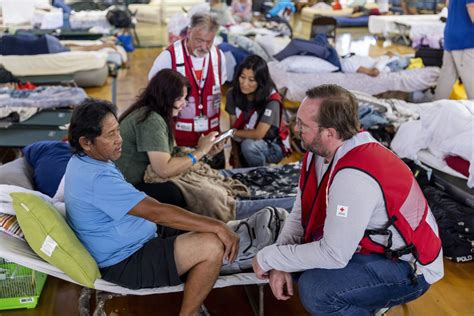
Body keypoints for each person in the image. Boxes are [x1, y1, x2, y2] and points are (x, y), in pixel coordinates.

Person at [252, 84, 444, 315]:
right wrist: (279, 259)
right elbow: (300, 212)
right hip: (369, 248)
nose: (295, 128)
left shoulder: (355, 176)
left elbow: (334, 254)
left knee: (317, 290)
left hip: (408, 268)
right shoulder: (318, 153)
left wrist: (270, 257)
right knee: (301, 265)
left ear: (329, 133)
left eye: (302, 124)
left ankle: (368, 302)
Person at [64, 99, 239, 316]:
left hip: (136, 238)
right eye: (111, 135)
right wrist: (218, 226)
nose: (119, 140)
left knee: (205, 224)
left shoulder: (84, 161)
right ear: (86, 142)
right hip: (126, 262)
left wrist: (214, 225)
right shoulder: (95, 178)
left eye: (118, 131)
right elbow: (157, 212)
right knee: (212, 244)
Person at [116, 69, 223, 208]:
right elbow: (164, 169)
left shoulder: (151, 112)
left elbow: (169, 154)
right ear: (164, 97)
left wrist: (206, 152)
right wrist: (201, 151)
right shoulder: (150, 120)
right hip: (128, 188)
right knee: (176, 192)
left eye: (185, 98)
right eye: (179, 99)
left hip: (132, 181)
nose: (184, 104)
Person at [148, 12, 227, 148]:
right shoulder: (169, 56)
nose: (204, 47)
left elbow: (221, 86)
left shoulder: (219, 56)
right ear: (189, 32)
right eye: (199, 40)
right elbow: (153, 95)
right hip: (179, 140)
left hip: (212, 140)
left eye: (209, 41)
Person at [225, 55, 290, 167]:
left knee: (248, 145)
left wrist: (229, 133)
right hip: (246, 139)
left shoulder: (272, 100)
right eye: (242, 77)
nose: (244, 84)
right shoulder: (232, 94)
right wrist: (236, 159)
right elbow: (234, 128)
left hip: (272, 146)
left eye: (251, 80)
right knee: (245, 148)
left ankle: (261, 174)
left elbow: (258, 134)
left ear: (260, 81)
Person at [434, 0, 474, 100]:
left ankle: (436, 109)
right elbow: (471, 7)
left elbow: (448, 3)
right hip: (465, 40)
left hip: (452, 35)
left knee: (446, 78)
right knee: (471, 80)